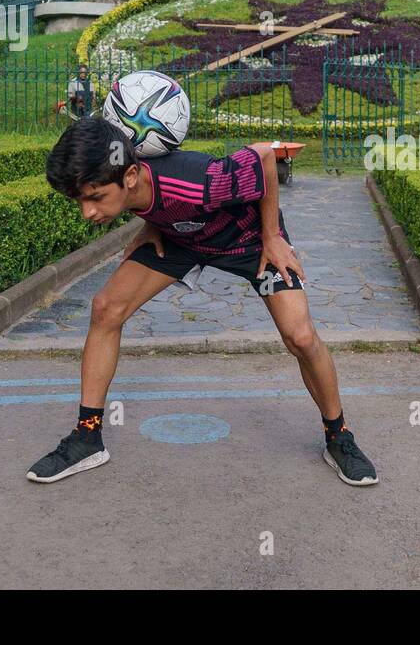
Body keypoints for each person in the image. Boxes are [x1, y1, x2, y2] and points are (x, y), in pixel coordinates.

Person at [28, 117, 379, 485]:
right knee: (105, 308)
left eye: (95, 198)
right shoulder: (123, 179)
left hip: (248, 242)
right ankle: (87, 437)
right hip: (180, 240)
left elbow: (263, 157)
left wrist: (272, 236)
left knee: (301, 337)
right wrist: (151, 227)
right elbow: (160, 203)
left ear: (130, 177)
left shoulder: (202, 180)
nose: (88, 212)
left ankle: (339, 436)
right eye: (79, 200)